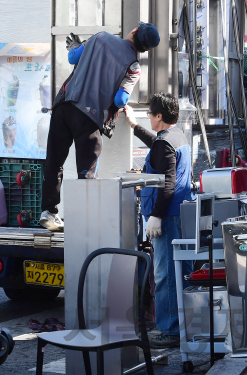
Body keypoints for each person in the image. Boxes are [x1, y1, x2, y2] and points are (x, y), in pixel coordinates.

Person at [40, 23, 160, 231]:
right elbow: (121, 99)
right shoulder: (133, 66)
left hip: (64, 105)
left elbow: (72, 58)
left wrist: (74, 47)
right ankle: (82, 221)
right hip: (89, 117)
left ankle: (49, 212)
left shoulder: (101, 37)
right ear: (146, 50)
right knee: (86, 172)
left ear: (133, 31)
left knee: (54, 162)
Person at [124, 94, 193, 348]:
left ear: (159, 116)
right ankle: (183, 327)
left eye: (150, 115)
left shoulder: (165, 144)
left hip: (168, 217)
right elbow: (157, 146)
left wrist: (156, 216)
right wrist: (134, 126)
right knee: (182, 272)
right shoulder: (176, 137)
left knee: (164, 274)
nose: (149, 118)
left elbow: (168, 182)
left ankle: (170, 331)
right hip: (179, 215)